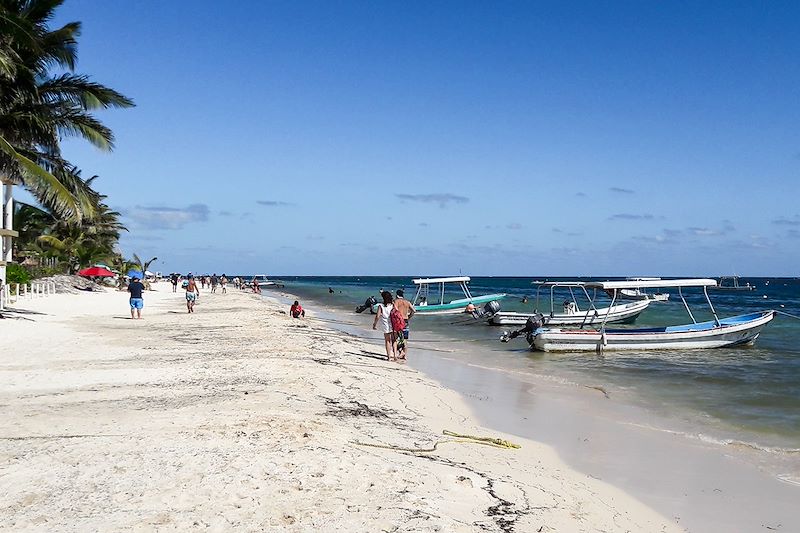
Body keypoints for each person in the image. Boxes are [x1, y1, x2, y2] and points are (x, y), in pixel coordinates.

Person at [372, 291, 397, 361]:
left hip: (385, 324)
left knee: (387, 340)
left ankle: (389, 356)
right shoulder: (393, 305)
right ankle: (395, 355)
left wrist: (374, 324)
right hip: (393, 324)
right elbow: (397, 313)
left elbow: (377, 316)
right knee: (394, 340)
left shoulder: (381, 306)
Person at [393, 289, 415, 360]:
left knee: (396, 338)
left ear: (396, 295)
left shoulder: (396, 301)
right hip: (405, 321)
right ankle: (404, 355)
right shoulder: (407, 302)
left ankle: (397, 354)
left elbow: (395, 310)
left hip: (398, 321)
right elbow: (414, 310)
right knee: (405, 339)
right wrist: (409, 317)